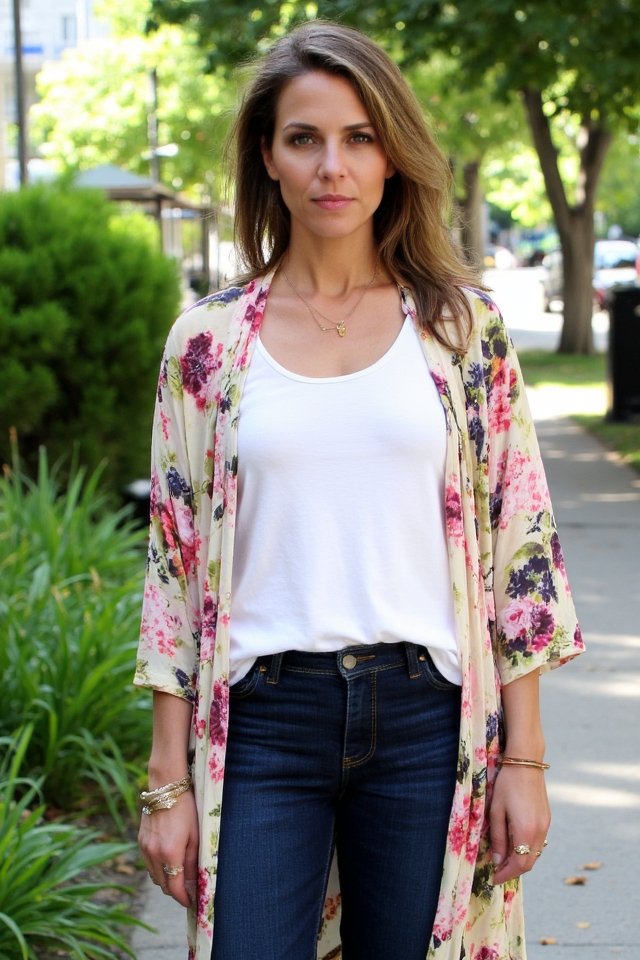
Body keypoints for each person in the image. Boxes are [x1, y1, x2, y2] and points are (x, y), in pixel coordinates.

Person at [135, 20, 584, 960]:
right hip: (262, 721)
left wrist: (525, 759)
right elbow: (174, 571)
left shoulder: (462, 331)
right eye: (304, 138)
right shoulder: (207, 343)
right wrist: (167, 782)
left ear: (392, 157)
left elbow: (522, 548)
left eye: (359, 137)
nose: (331, 166)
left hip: (428, 718)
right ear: (269, 157)